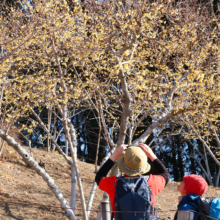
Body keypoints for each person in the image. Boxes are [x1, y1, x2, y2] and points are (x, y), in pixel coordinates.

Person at [95, 143, 170, 219]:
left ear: (123, 164)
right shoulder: (151, 182)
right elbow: (166, 175)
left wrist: (113, 156)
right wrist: (151, 155)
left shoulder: (114, 183)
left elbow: (99, 177)